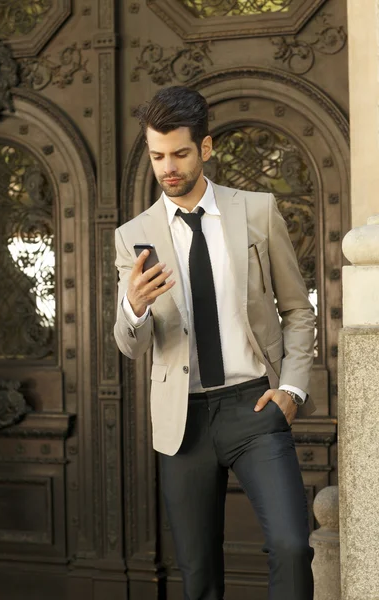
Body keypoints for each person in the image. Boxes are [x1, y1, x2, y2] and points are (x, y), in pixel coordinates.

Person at [114, 86, 315, 600]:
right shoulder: (133, 235)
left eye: (179, 153)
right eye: (158, 156)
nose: (168, 168)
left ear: (205, 148)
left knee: (293, 546)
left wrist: (291, 390)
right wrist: (133, 307)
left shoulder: (257, 211)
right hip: (184, 423)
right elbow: (130, 346)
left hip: (254, 405)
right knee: (199, 575)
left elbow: (296, 308)